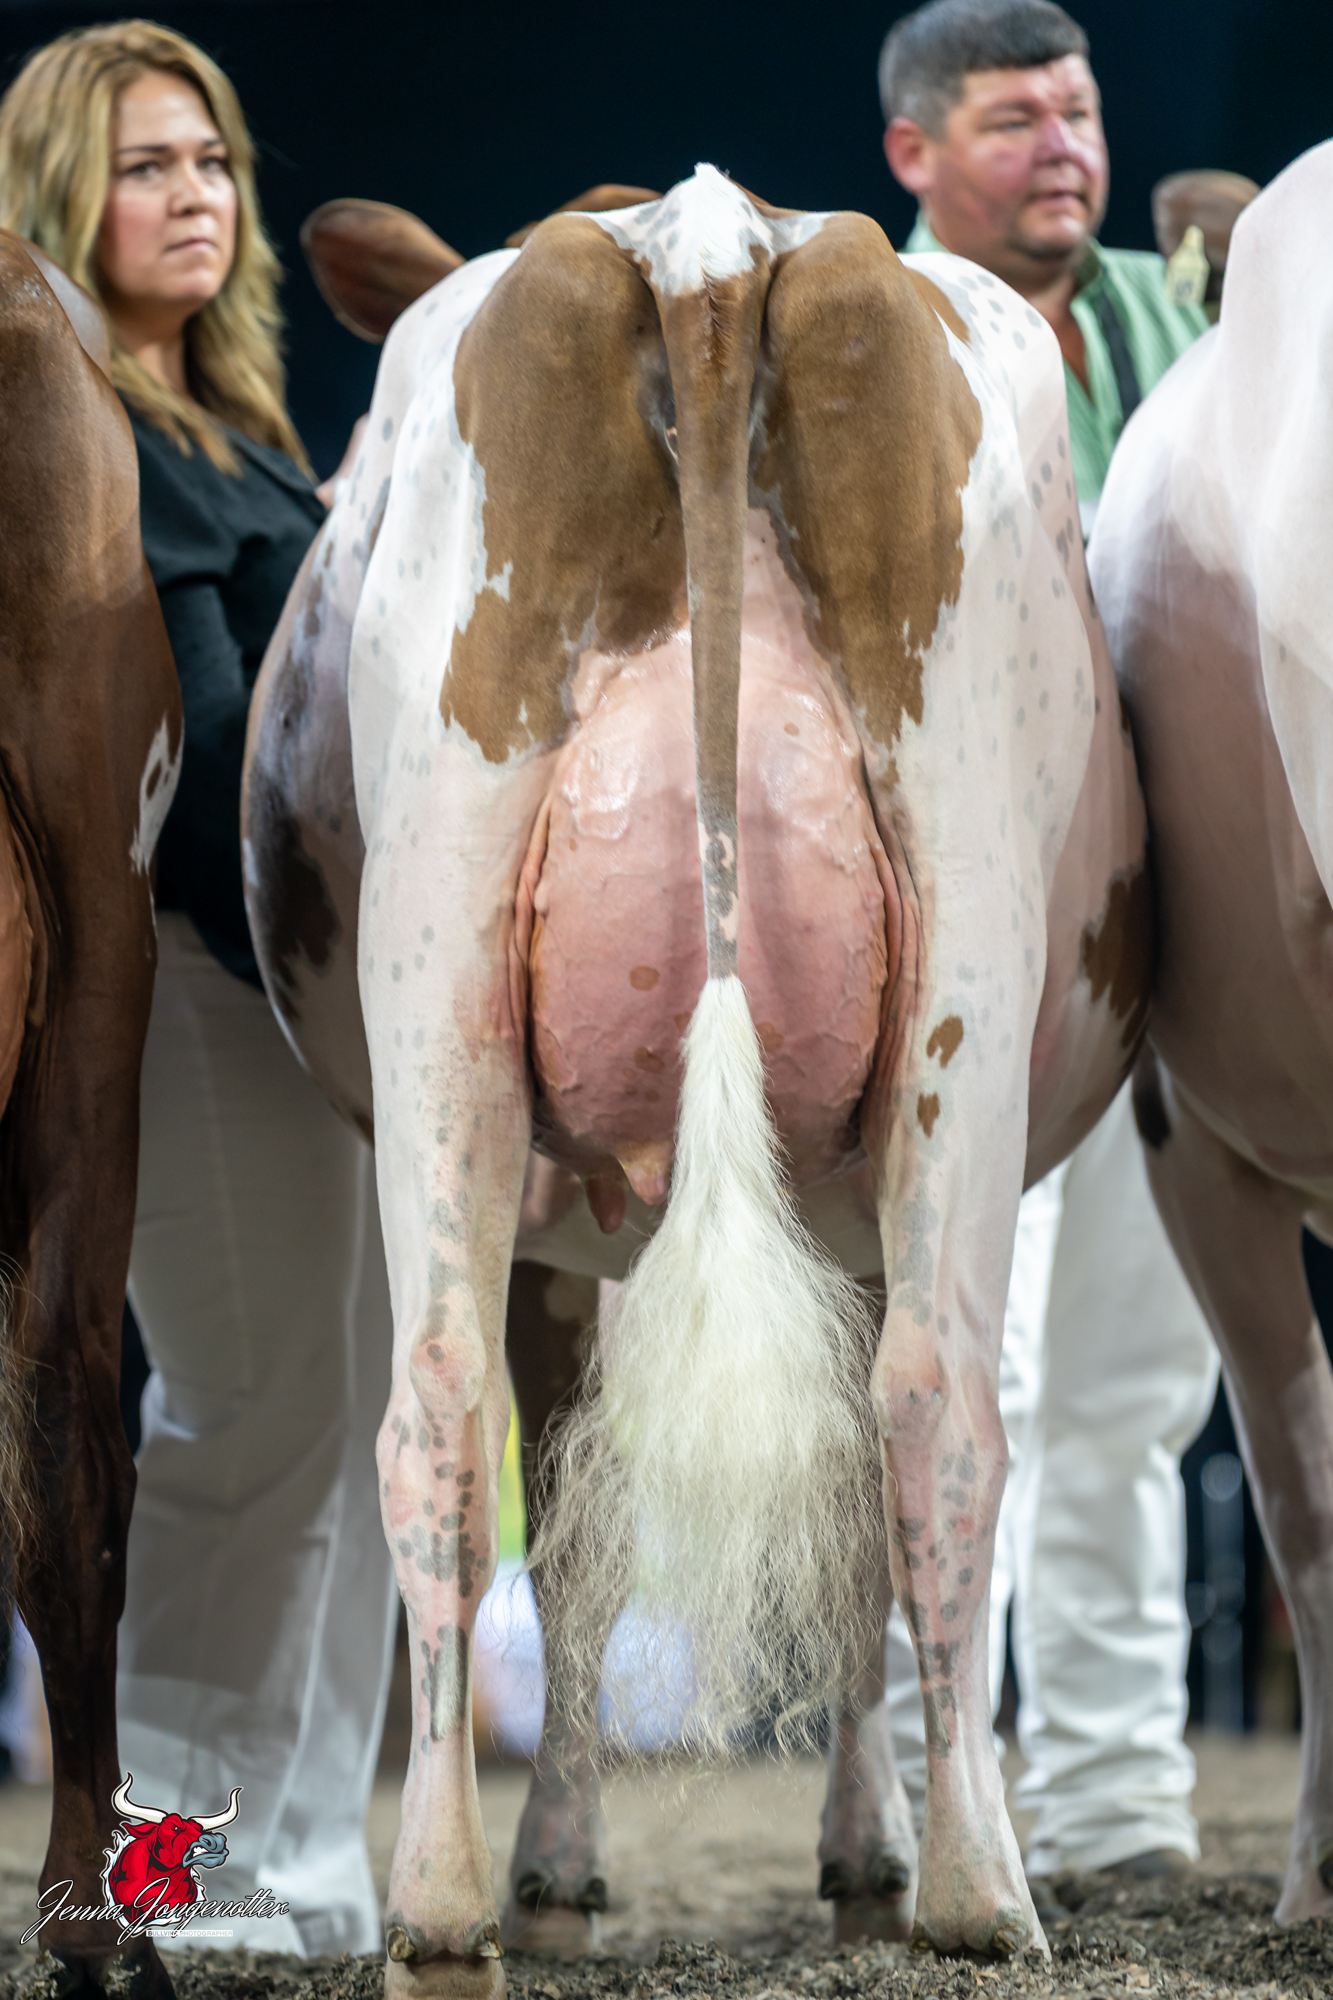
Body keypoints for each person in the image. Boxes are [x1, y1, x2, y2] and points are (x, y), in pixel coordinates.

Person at [0, 24, 395, 1953]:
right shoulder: (81, 444)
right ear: (61, 191)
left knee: (353, 1421)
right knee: (250, 1419)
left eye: (214, 162)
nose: (196, 197)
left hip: (311, 995)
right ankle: (167, 1872)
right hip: (191, 980)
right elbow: (213, 764)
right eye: (148, 163)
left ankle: (299, 1858)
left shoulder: (243, 438)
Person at [877, 0, 1220, 1895]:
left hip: (1182, 930)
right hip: (964, 933)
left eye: (1076, 111)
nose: (1063, 147)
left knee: (1133, 1387)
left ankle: (1114, 1799)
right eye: (1012, 120)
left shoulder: (1184, 320)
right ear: (913, 154)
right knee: (955, 1368)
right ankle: (905, 1795)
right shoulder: (869, 328)